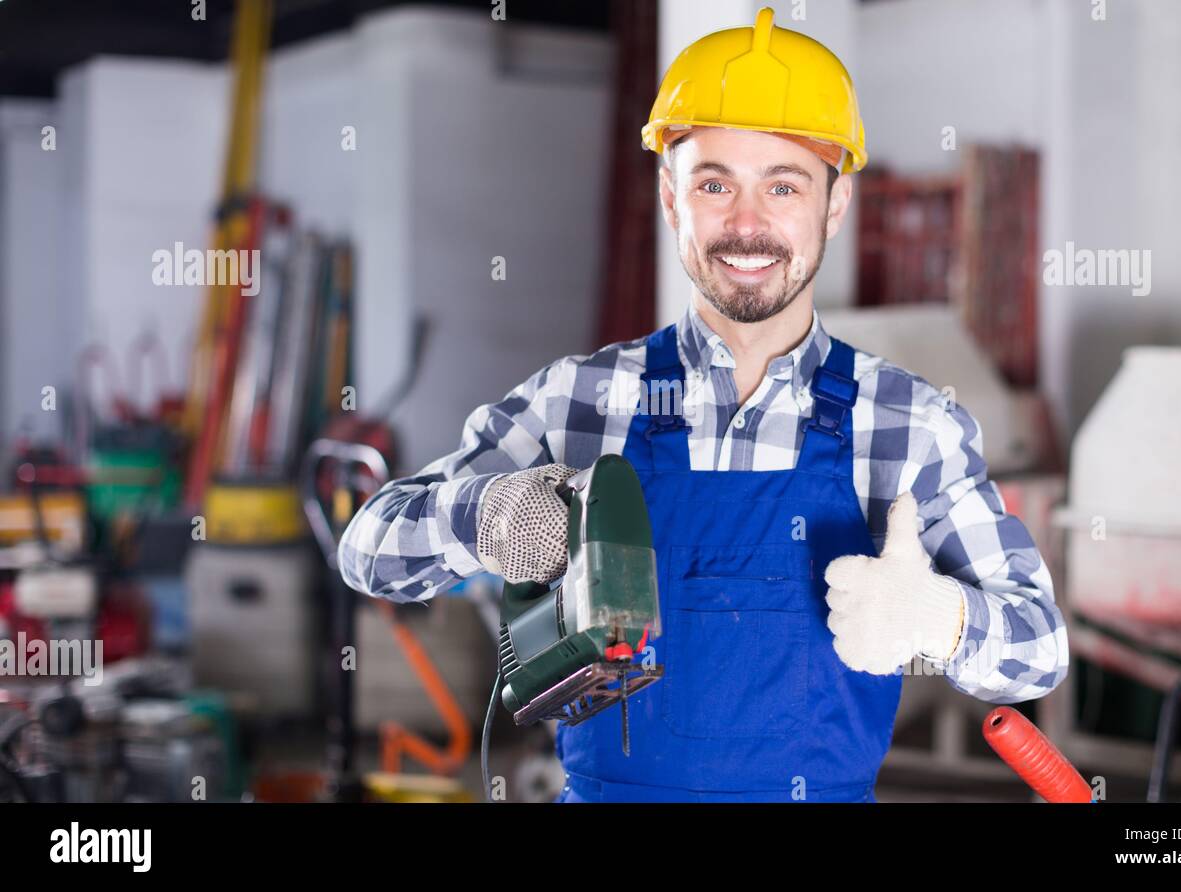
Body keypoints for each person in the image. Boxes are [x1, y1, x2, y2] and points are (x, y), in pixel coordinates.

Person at [338, 7, 1067, 803]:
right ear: (670, 198)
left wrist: (942, 620)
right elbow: (367, 550)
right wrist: (480, 518)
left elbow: (1040, 650)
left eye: (783, 186)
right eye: (714, 183)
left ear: (834, 204)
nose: (747, 224)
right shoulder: (578, 401)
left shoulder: (906, 425)